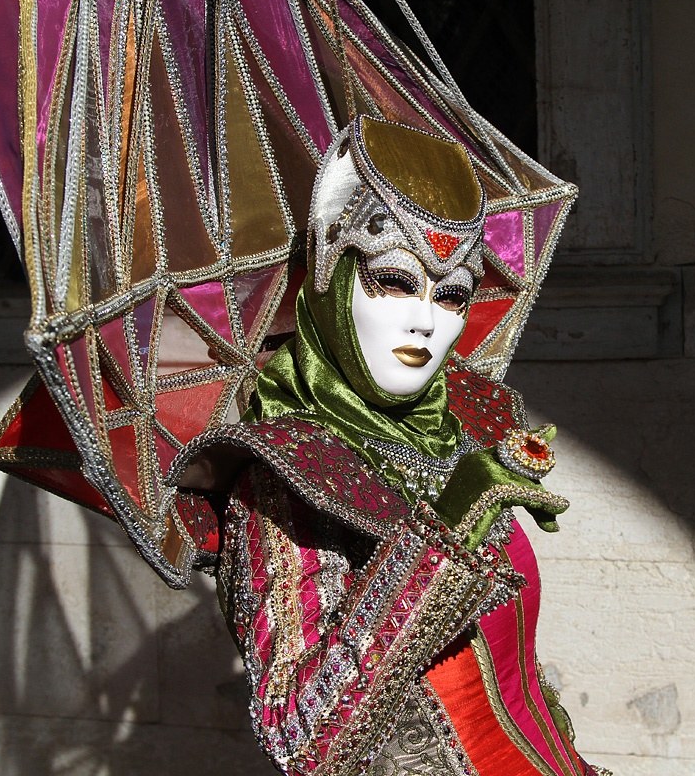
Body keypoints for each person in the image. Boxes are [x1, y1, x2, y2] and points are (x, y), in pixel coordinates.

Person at [175, 115, 606, 776]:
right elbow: (300, 739)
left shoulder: (460, 429)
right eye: (396, 281)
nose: (424, 321)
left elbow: (510, 672)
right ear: (331, 276)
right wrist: (442, 537)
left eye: (451, 295)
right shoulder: (286, 475)